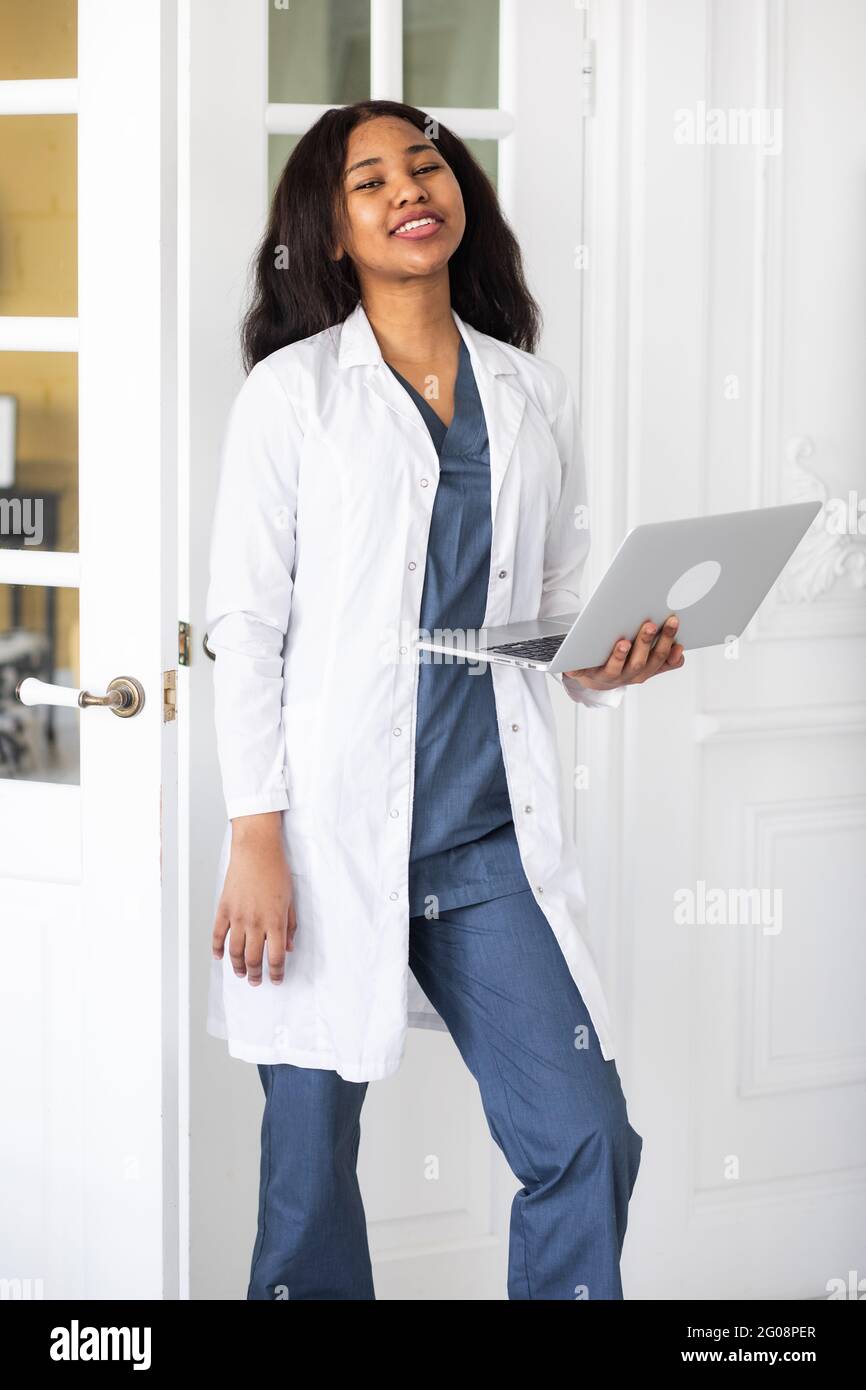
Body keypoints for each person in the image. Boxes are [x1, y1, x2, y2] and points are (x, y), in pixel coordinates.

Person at [205, 99, 685, 1302]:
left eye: (424, 165)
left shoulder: (530, 390)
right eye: (368, 181)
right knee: (307, 1188)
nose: (408, 188)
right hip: (320, 843)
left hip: (481, 845)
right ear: (327, 232)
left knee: (584, 1136)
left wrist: (603, 661)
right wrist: (256, 832)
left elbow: (553, 614)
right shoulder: (292, 394)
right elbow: (244, 626)